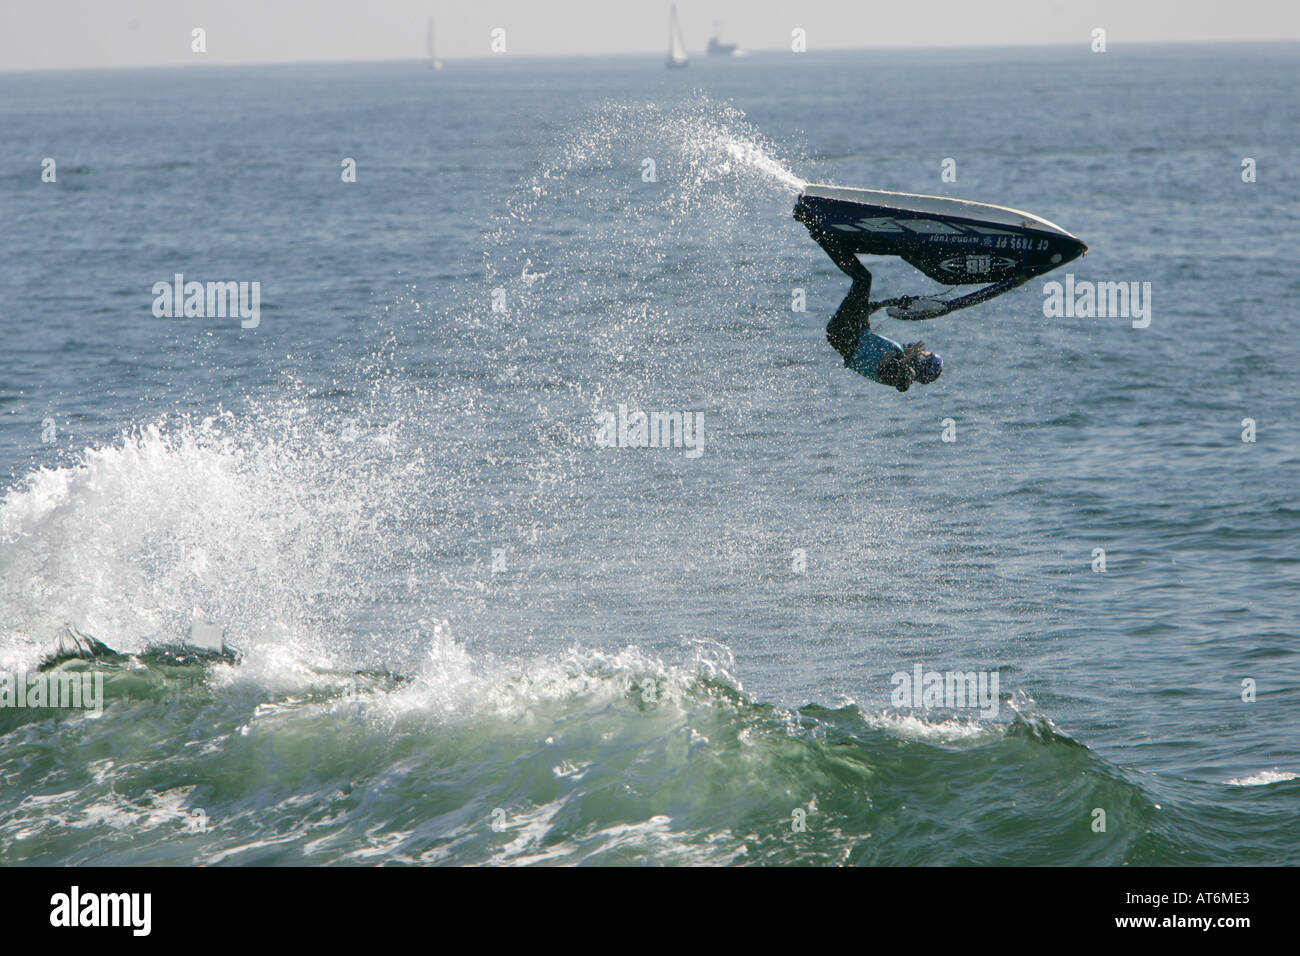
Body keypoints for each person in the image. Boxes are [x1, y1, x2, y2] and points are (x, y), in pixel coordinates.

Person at [813, 228, 942, 392]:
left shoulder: (894, 374)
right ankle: (831, 239)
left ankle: (822, 234)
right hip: (854, 330)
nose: (922, 349)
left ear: (923, 362)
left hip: (844, 334)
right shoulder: (899, 354)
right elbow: (864, 311)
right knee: (862, 280)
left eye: (925, 353)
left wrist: (908, 369)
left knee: (863, 279)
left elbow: (903, 383)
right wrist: (891, 303)